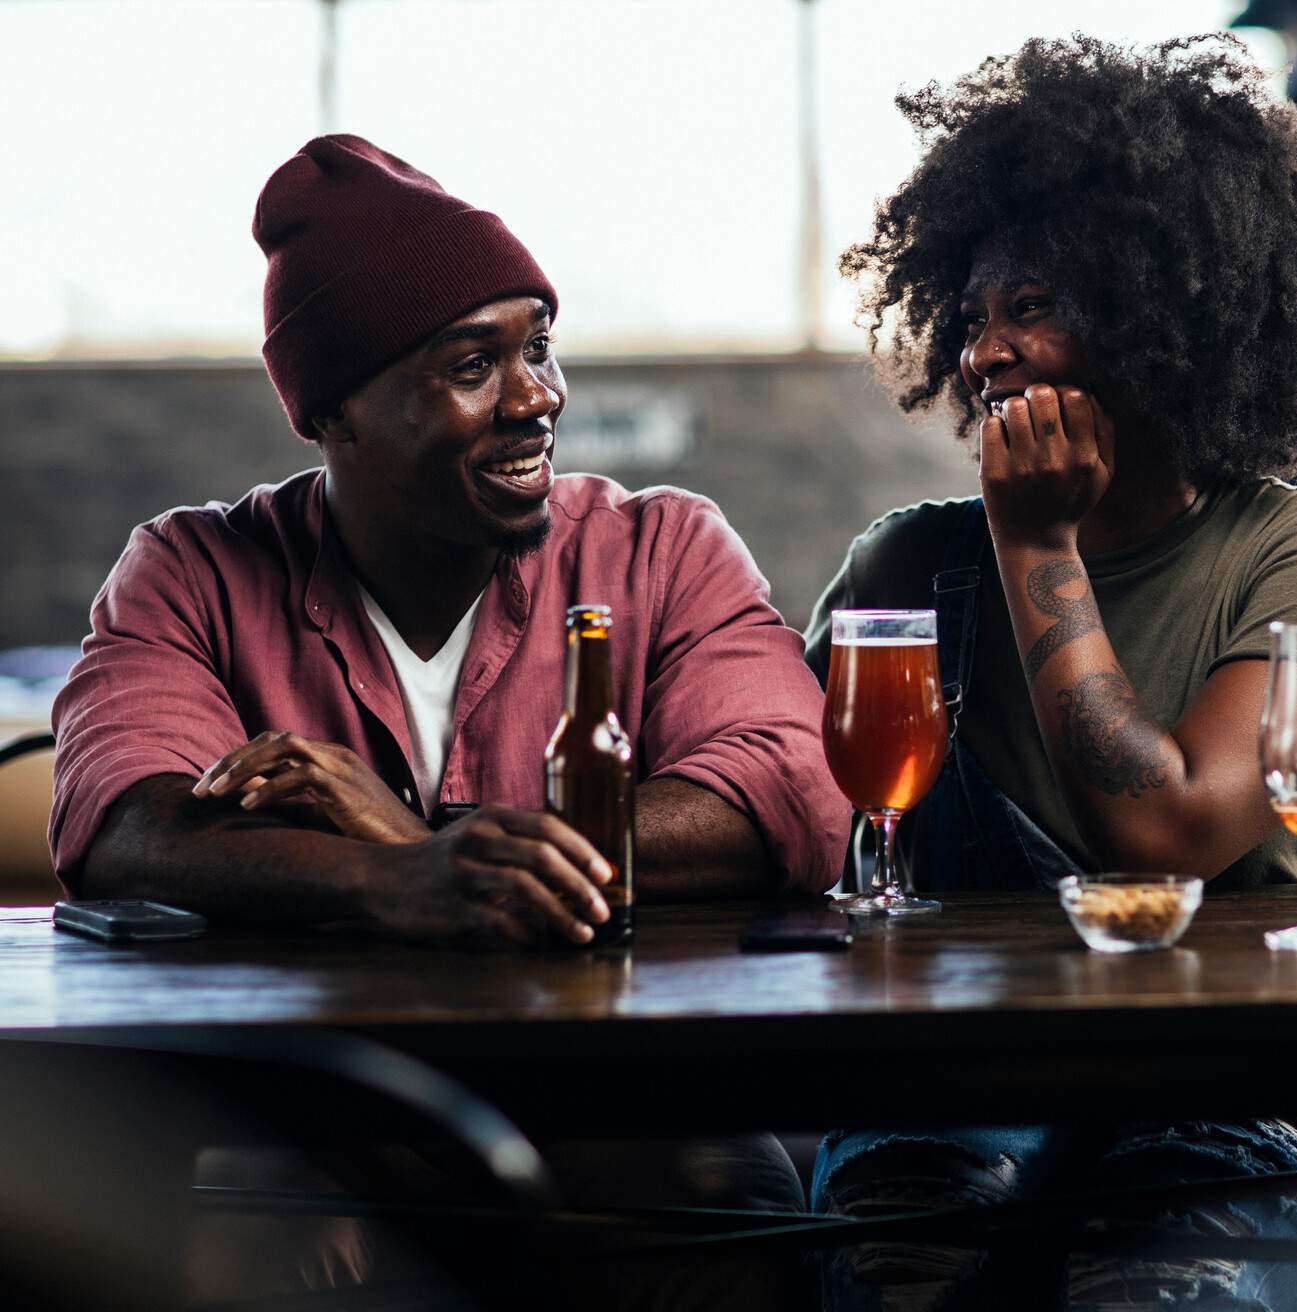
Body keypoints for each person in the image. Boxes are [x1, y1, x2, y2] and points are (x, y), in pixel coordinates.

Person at [49, 134, 846, 1304]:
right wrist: (397, 881)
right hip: (319, 1128)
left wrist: (434, 840)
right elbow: (126, 826)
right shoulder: (190, 570)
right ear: (338, 414)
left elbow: (790, 788)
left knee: (735, 1214)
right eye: (475, 364)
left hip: (619, 1106)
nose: (536, 400)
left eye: (539, 348)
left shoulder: (662, 546)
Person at [804, 35, 1297, 1312]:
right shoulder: (909, 566)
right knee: (896, 1268)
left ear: (1165, 310)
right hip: (973, 1080)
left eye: (1032, 306)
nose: (986, 352)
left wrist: (1037, 544)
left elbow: (1170, 829)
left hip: (1261, 1082)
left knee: (1155, 1286)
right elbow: (795, 821)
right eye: (973, 317)